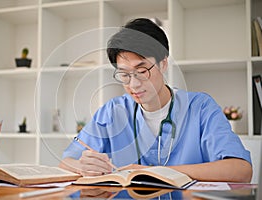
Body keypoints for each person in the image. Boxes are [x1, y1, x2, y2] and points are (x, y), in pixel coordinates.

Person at [59, 18, 252, 182]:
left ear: (163, 63)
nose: (133, 84)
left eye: (142, 71)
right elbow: (66, 162)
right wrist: (83, 166)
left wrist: (155, 173)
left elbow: (241, 170)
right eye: (124, 75)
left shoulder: (200, 107)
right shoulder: (112, 111)